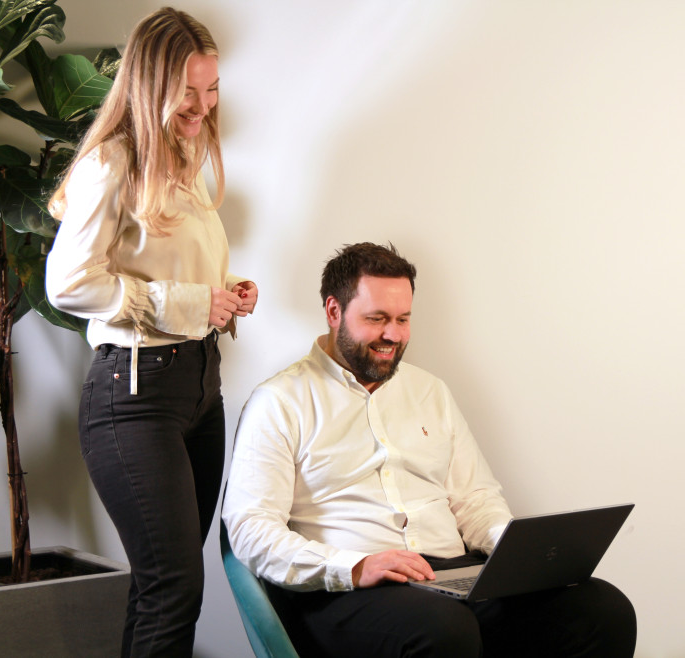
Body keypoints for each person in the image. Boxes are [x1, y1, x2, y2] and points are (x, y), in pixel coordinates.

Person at [222, 242, 634, 657]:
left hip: (453, 576)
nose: (393, 335)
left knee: (601, 609)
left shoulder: (430, 391)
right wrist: (354, 566)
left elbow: (474, 498)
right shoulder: (279, 401)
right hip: (349, 590)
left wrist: (510, 552)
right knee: (443, 630)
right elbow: (250, 529)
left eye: (403, 319)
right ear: (334, 312)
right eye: (377, 318)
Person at [45, 8, 258, 657]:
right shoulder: (111, 164)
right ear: (149, 86)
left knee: (162, 586)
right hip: (132, 396)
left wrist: (220, 298)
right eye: (187, 93)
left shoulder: (182, 161)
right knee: (175, 590)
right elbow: (67, 285)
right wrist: (190, 301)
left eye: (211, 88)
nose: (202, 106)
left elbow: (161, 271)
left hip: (198, 386)